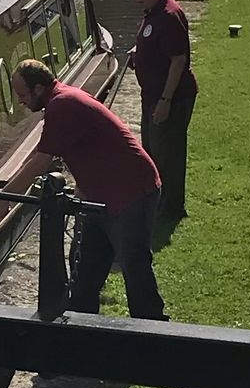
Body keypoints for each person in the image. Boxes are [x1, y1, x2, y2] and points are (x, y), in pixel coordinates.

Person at [11, 57, 167, 320]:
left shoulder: (62, 104)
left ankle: (153, 330)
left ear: (38, 89)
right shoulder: (61, 101)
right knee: (85, 271)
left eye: (22, 95)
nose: (20, 102)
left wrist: (4, 199)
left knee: (135, 270)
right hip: (100, 198)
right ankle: (80, 328)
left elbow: (40, 161)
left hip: (131, 192)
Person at [127, 0, 197, 220]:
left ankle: (171, 208)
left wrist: (166, 100)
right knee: (153, 150)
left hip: (170, 98)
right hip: (152, 96)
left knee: (168, 153)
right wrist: (139, 53)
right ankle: (158, 203)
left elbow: (178, 60)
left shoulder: (168, 15)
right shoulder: (152, 11)